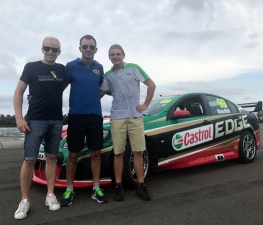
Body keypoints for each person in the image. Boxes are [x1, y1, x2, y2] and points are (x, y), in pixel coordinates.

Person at [13, 36, 65, 220]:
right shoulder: (31, 67)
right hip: (35, 121)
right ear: (42, 49)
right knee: (29, 160)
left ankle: (50, 195)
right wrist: (19, 117)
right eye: (47, 48)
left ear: (59, 52)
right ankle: (24, 200)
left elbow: (73, 83)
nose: (50, 52)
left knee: (52, 158)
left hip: (56, 121)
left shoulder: (62, 70)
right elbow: (19, 91)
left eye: (55, 49)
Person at [101, 44, 156, 201]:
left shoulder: (133, 68)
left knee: (138, 152)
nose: (115, 56)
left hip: (135, 116)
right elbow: (100, 92)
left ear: (123, 55)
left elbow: (151, 84)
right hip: (117, 117)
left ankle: (141, 186)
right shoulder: (108, 75)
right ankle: (118, 186)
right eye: (112, 54)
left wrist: (145, 104)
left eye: (118, 54)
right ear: (109, 57)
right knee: (118, 153)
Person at [60, 34, 108, 206]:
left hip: (95, 116)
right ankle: (69, 189)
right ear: (80, 48)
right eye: (85, 46)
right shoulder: (70, 66)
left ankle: (96, 188)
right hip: (76, 117)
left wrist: (95, 98)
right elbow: (59, 88)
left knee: (96, 153)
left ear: (96, 49)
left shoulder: (99, 68)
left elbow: (103, 87)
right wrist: (38, 96)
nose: (88, 49)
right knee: (73, 154)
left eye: (91, 47)